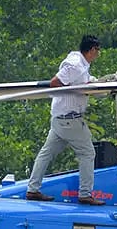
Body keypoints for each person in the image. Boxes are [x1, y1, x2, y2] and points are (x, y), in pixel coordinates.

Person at [25, 34, 104, 206]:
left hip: (60, 119)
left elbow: (79, 80)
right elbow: (55, 82)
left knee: (46, 153)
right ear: (91, 50)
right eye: (97, 51)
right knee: (87, 153)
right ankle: (85, 193)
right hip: (70, 119)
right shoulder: (76, 65)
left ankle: (32, 189)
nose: (98, 54)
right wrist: (73, 91)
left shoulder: (80, 62)